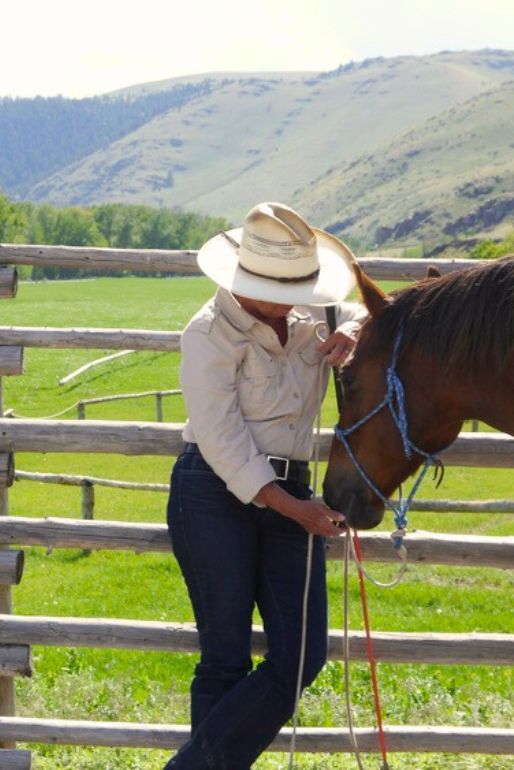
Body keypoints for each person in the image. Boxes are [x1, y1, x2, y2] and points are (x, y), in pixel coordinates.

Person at [164, 202, 366, 768]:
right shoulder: (206, 333)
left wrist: (353, 326)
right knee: (224, 656)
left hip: (288, 494)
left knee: (303, 655)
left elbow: (378, 311)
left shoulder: (319, 313)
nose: (293, 296)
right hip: (212, 492)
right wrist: (293, 509)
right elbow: (223, 441)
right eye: (281, 285)